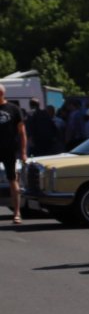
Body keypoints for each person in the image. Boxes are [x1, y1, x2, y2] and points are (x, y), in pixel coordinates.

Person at [0, 87, 27, 224]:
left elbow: (22, 131)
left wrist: (23, 152)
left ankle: (17, 212)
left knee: (12, 179)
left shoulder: (13, 109)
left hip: (9, 149)